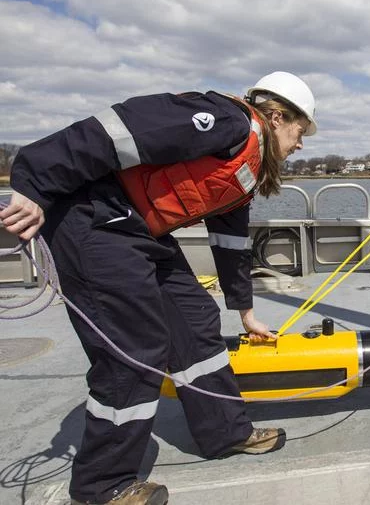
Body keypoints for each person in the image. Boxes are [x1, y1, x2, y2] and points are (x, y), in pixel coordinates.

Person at [0, 71, 317, 505]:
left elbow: (230, 240)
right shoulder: (225, 121)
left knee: (196, 319)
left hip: (140, 231)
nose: (300, 145)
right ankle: (102, 485)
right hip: (94, 219)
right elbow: (117, 129)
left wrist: (244, 309)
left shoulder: (250, 161)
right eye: (301, 131)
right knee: (134, 348)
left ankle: (225, 431)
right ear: (278, 116)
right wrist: (34, 183)